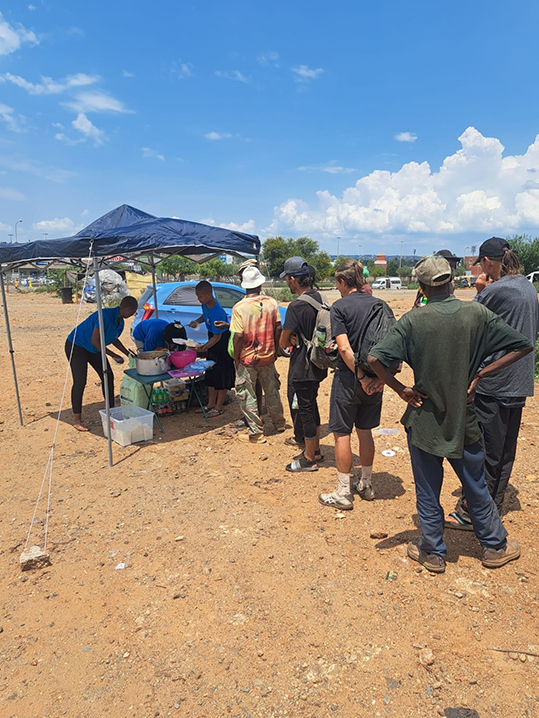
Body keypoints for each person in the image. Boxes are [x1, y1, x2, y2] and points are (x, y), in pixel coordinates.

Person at [367, 254, 533, 573]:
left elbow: (375, 359)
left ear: (422, 286)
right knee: (475, 484)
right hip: (464, 419)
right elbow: (523, 345)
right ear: (452, 281)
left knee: (428, 488)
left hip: (425, 419)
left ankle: (433, 551)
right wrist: (480, 375)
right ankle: (495, 547)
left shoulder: (414, 320)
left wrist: (401, 389)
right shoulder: (476, 312)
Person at [447, 237, 539, 529]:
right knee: (504, 452)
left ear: (486, 262)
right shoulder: (526, 286)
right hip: (520, 380)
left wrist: (480, 292)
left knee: (483, 450)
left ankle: (471, 512)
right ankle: (492, 506)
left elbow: (469, 321)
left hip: (495, 381)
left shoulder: (495, 290)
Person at [318, 260, 391, 510]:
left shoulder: (339, 308)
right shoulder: (380, 305)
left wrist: (360, 376)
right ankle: (366, 483)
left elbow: (345, 348)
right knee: (365, 430)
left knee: (341, 433)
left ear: (342, 282)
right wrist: (378, 379)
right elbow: (391, 347)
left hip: (349, 380)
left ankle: (342, 492)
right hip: (376, 379)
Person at [279, 257, 327, 471]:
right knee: (312, 403)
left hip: (302, 365)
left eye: (287, 279)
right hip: (318, 363)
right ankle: (315, 449)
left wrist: (289, 338)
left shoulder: (296, 306)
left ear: (292, 279)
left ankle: (309, 458)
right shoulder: (321, 297)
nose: (287, 284)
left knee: (305, 408)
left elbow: (282, 341)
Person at [230, 266, 286, 443]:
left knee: (247, 394)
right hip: (268, 356)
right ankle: (279, 423)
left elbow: (238, 336)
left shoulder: (239, 308)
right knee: (272, 391)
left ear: (244, 284)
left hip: (248, 359)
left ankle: (256, 432)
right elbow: (278, 328)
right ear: (260, 283)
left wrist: (236, 357)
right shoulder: (272, 303)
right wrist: (276, 349)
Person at [65, 296, 138, 431]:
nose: (132, 315)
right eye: (133, 313)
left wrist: (127, 353)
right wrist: (114, 355)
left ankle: (111, 412)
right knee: (80, 381)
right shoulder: (105, 315)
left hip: (94, 348)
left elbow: (113, 339)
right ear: (129, 309)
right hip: (77, 345)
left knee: (107, 376)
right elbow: (95, 340)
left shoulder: (120, 321)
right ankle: (77, 420)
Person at [188, 281, 235, 418]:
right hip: (213, 339)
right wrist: (197, 321)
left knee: (221, 374)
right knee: (210, 372)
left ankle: (219, 406)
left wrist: (202, 348)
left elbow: (217, 337)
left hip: (221, 342)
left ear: (209, 294)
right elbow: (204, 315)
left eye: (200, 297)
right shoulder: (205, 304)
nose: (199, 299)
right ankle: (210, 404)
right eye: (197, 297)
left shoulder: (218, 313)